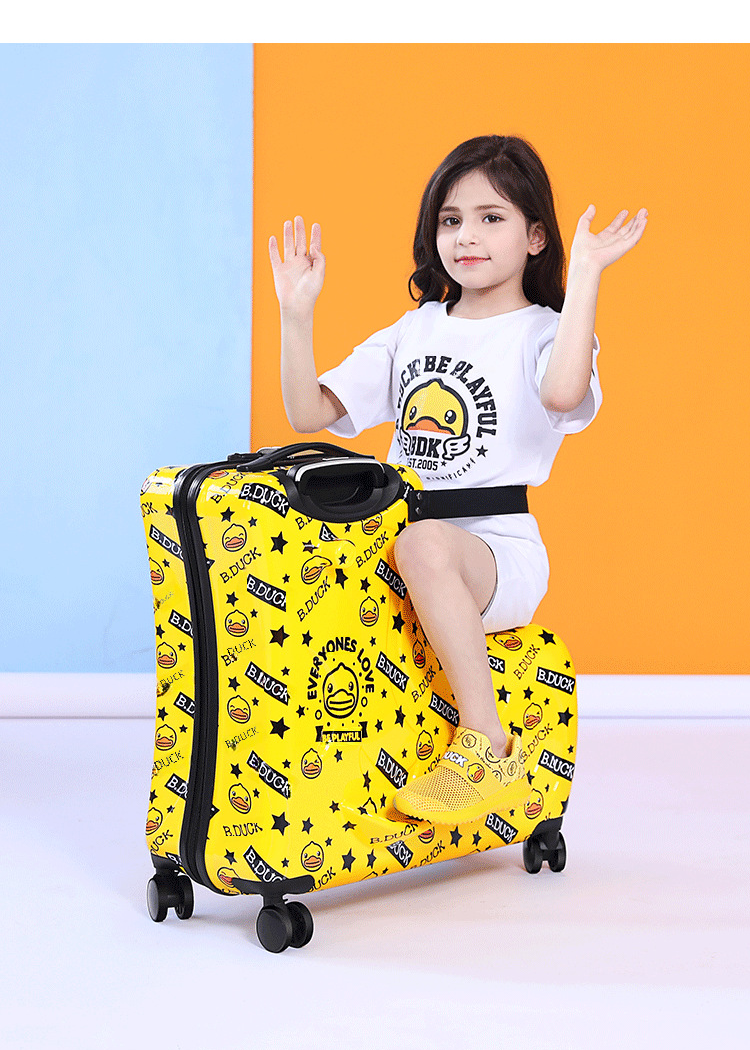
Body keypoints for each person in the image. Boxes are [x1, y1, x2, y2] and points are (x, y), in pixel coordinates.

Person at [268, 134, 647, 826]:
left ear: (536, 237)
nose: (466, 235)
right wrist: (296, 313)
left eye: (491, 217)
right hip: (405, 543)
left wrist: (589, 274)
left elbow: (563, 394)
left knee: (424, 545)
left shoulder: (546, 332)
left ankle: (487, 746)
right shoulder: (415, 330)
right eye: (450, 219)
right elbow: (307, 412)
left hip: (496, 552)